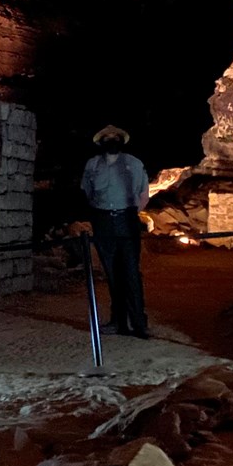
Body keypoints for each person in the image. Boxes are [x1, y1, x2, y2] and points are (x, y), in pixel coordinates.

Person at [80, 125, 150, 338]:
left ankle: (138, 323)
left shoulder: (134, 164)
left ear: (121, 140)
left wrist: (126, 213)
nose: (111, 140)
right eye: (107, 137)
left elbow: (144, 194)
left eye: (115, 137)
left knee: (130, 273)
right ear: (101, 142)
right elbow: (87, 192)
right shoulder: (92, 165)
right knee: (112, 273)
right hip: (104, 223)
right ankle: (118, 322)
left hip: (126, 220)